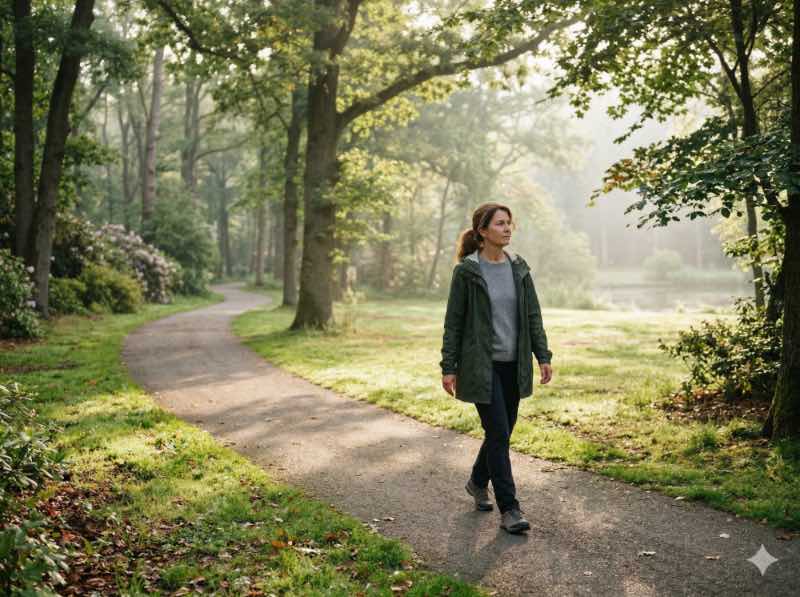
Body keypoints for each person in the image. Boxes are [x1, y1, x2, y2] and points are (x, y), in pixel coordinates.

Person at [440, 202, 553, 534]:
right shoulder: (467, 272)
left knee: (499, 433)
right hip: (480, 367)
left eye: (509, 223)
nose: (507, 228)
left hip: (512, 367)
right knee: (500, 433)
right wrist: (449, 366)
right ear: (482, 231)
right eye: (500, 224)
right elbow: (454, 323)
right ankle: (511, 509)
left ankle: (477, 481)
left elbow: (533, 315)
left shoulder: (519, 268)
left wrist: (542, 355)